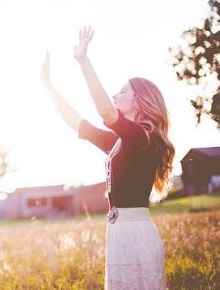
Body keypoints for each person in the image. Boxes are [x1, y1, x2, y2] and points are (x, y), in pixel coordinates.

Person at [40, 27, 175, 289]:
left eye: (122, 92)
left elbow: (105, 111)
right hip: (118, 231)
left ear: (141, 100)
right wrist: (47, 86)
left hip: (136, 233)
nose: (115, 96)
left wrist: (83, 61)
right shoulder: (121, 141)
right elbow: (76, 123)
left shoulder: (144, 138)